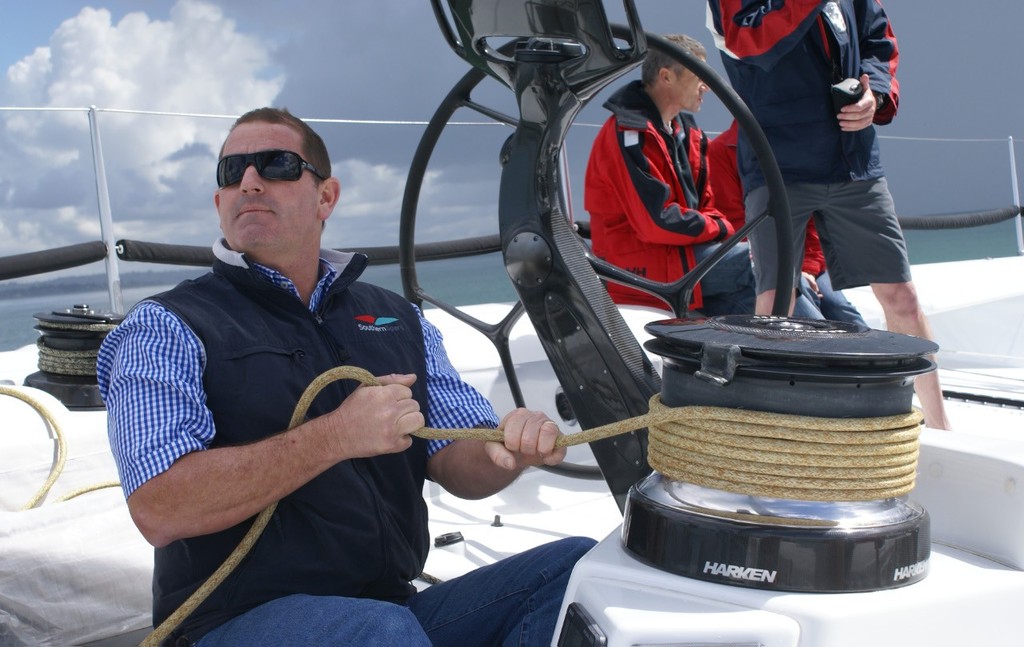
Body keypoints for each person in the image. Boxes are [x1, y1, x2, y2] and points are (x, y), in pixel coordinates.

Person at [96, 107, 595, 646]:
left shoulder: (396, 317)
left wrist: (508, 453)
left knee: (572, 569)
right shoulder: (166, 326)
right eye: (231, 171)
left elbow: (458, 460)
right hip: (230, 624)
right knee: (377, 632)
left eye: (276, 164)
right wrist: (335, 435)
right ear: (220, 203)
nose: (249, 181)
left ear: (326, 196)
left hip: (390, 607)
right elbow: (160, 506)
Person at [706, 0, 951, 428]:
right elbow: (749, 43)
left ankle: (941, 429)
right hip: (777, 166)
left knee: (902, 299)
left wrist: (874, 93)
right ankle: (766, 429)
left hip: (854, 163)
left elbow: (878, 42)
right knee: (774, 303)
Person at [583, 33, 756, 317]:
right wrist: (721, 229)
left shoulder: (689, 134)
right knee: (765, 268)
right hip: (639, 271)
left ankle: (807, 355)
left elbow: (707, 206)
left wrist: (716, 225)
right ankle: (819, 353)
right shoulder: (628, 134)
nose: (707, 87)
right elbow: (656, 223)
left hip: (680, 258)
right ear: (666, 77)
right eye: (699, 75)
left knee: (772, 292)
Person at [707, 120, 866, 325]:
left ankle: (881, 355)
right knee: (810, 309)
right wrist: (792, 269)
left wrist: (807, 268)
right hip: (767, 259)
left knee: (839, 307)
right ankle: (830, 352)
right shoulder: (721, 151)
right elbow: (737, 226)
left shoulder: (799, 150)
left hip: (807, 261)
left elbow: (815, 219)